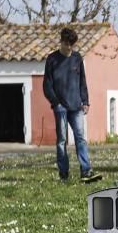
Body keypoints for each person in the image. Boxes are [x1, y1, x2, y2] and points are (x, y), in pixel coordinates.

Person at [43, 27, 101, 183]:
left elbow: (83, 81)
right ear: (61, 42)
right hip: (60, 107)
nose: (69, 47)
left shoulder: (77, 58)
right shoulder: (52, 60)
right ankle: (64, 174)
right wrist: (56, 103)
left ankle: (86, 171)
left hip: (76, 107)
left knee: (80, 138)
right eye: (66, 44)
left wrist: (86, 101)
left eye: (72, 45)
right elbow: (47, 85)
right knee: (62, 141)